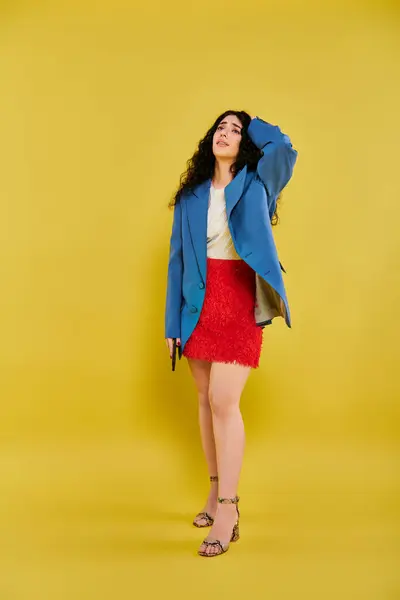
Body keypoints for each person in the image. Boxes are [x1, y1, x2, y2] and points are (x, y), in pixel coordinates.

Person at [164, 110, 297, 557]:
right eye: (220, 127)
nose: (226, 134)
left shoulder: (259, 183)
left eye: (235, 131)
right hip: (198, 306)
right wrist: (171, 324)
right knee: (205, 400)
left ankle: (228, 508)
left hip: (240, 300)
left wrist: (249, 118)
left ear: (246, 143)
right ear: (209, 140)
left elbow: (284, 148)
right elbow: (177, 261)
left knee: (224, 400)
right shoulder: (191, 195)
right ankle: (213, 488)